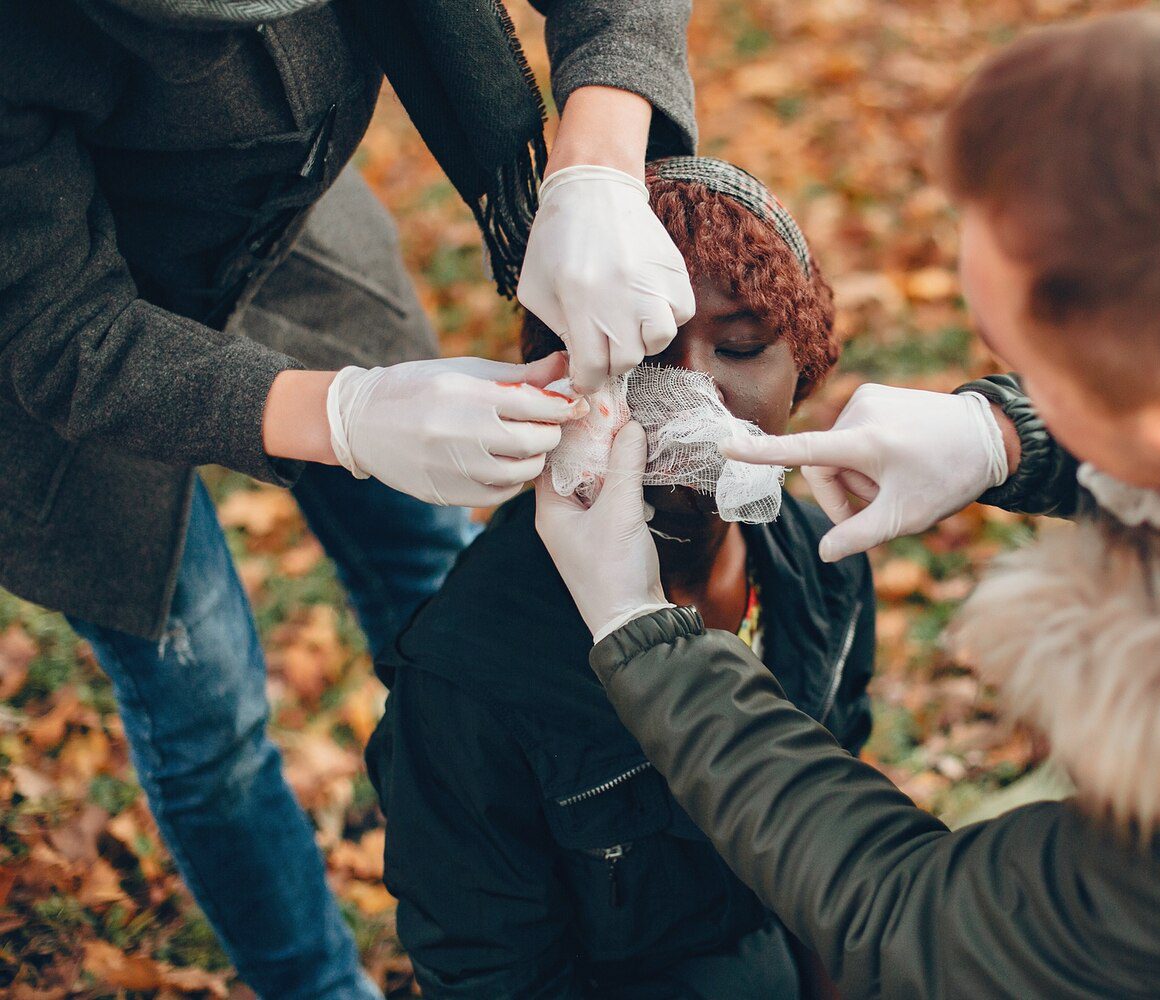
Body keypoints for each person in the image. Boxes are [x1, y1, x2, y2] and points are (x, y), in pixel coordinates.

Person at [535, 14, 1160, 998]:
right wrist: (1005, 433)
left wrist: (634, 622)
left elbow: (924, 922)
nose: (999, 374)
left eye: (1024, 363)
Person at [0, 1, 693, 994]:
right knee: (209, 719)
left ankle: (507, 872)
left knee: (436, 581)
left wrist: (599, 153)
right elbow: (54, 326)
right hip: (60, 383)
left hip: (287, 240)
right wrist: (348, 417)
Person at [366, 158, 872, 998]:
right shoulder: (470, 678)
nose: (691, 394)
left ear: (806, 367)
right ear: (562, 376)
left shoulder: (817, 562)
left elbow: (836, 820)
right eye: (642, 353)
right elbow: (488, 971)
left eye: (742, 345)